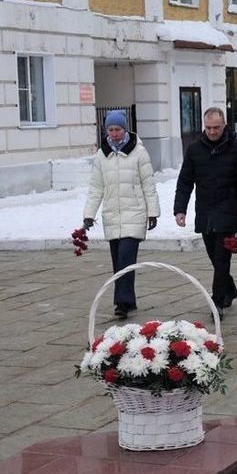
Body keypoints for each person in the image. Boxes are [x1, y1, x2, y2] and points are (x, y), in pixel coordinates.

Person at [83, 110, 160, 319]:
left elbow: (148, 184)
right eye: (111, 129)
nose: (114, 134)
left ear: (125, 129)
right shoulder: (102, 155)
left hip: (134, 212)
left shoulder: (139, 152)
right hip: (112, 214)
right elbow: (96, 188)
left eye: (118, 129)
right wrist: (88, 215)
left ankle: (122, 303)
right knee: (118, 261)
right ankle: (129, 299)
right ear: (106, 130)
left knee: (126, 258)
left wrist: (153, 212)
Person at [174, 107, 237, 321]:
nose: (213, 132)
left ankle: (217, 301)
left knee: (222, 258)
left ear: (224, 125)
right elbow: (185, 180)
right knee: (215, 257)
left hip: (228, 210)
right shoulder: (195, 149)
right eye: (208, 128)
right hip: (205, 211)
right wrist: (180, 208)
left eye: (217, 127)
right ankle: (229, 289)